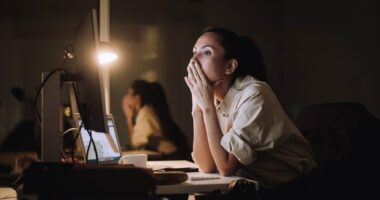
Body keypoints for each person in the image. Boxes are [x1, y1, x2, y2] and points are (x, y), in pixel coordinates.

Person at [184, 28, 317, 197]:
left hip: (294, 189)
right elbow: (207, 166)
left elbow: (225, 167)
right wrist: (198, 108)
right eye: (194, 51)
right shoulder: (212, 98)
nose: (194, 60)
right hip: (252, 189)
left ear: (230, 66)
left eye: (207, 52)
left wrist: (207, 108)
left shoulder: (255, 94)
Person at [122, 80, 191, 160]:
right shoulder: (149, 110)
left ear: (137, 97)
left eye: (129, 94)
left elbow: (136, 142)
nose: (125, 98)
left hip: (172, 157)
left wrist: (129, 118)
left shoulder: (145, 112)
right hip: (174, 155)